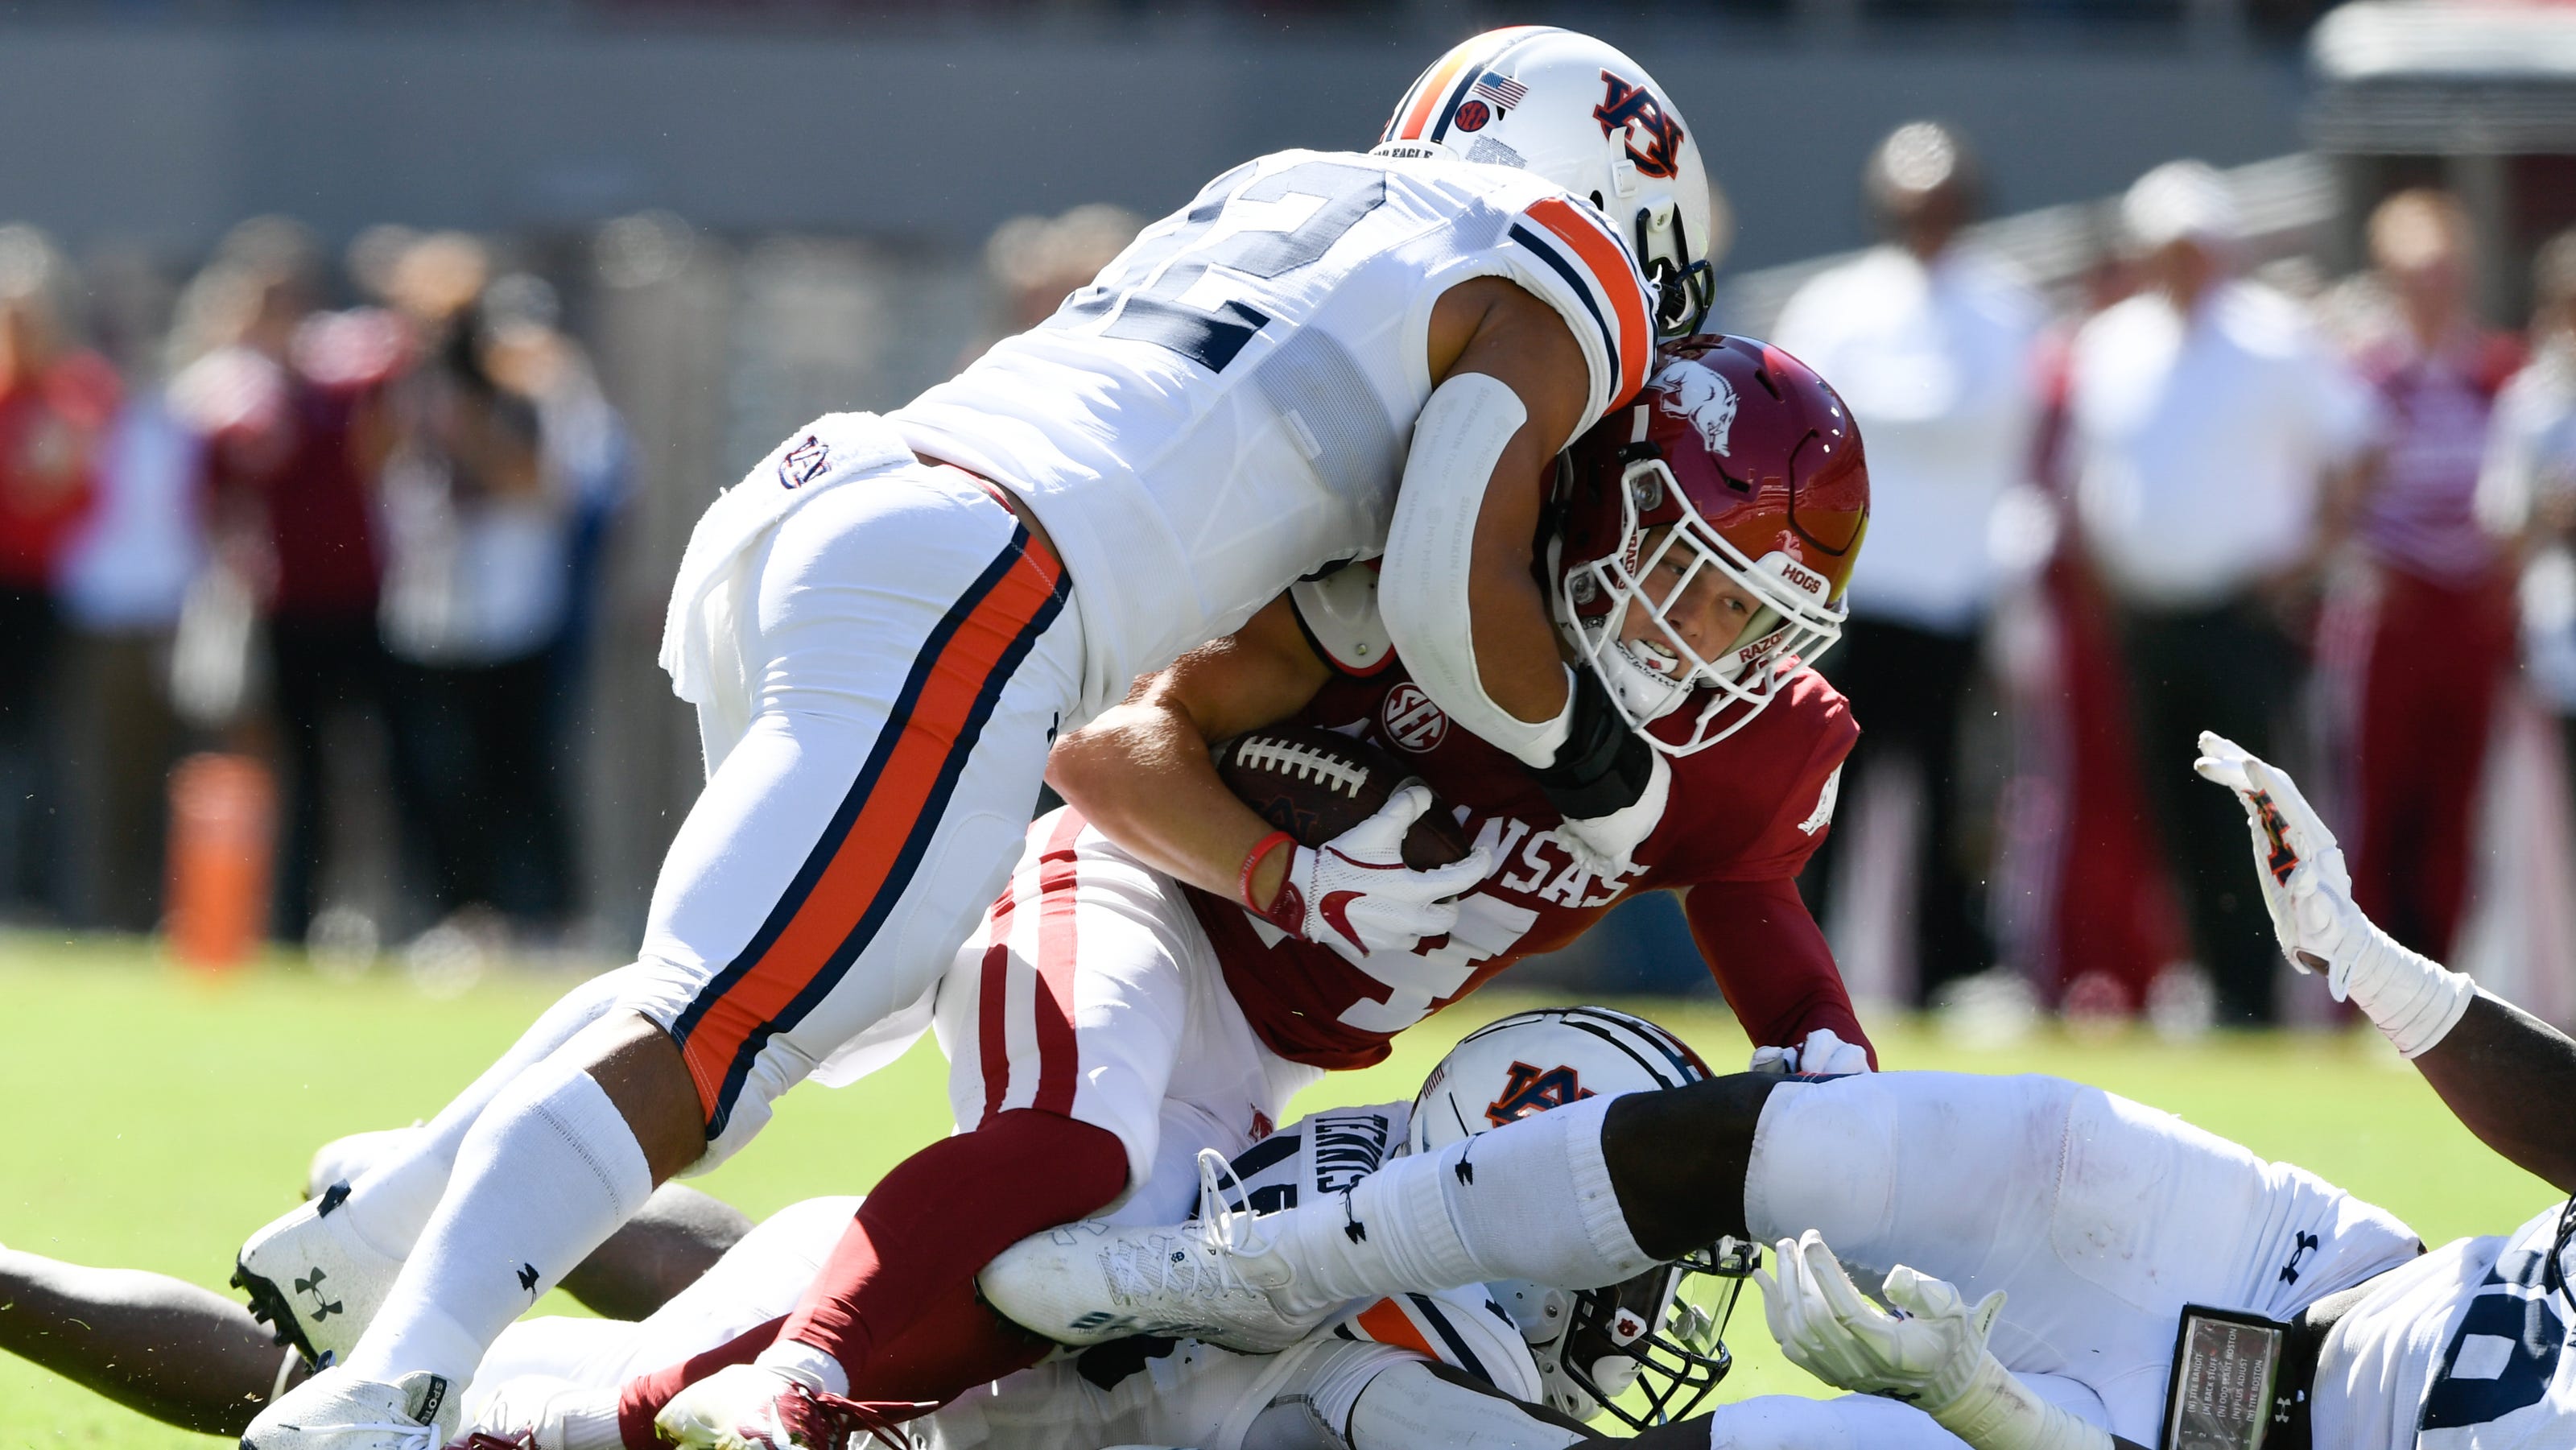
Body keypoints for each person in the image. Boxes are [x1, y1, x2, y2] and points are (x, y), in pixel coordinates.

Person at [239, 29, 1728, 1448]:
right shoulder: (1553, 271)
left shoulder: (1289, 191)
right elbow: (1450, 575)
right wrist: (1614, 772)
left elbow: (1299, 517)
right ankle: (393, 1382)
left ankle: (379, 1223)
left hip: (850, 503)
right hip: (982, 579)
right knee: (726, 1031)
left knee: (760, 991)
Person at [609, 333, 1869, 1444]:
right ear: (1612, 502)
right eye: (1696, 578)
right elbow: (1099, 743)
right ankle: (783, 1387)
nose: (1710, 645)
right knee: (1071, 1154)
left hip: (1269, 1051)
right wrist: (1293, 874)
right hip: (1140, 891)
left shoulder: (1749, 740)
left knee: (1090, 1303)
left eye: (1754, 618)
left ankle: (622, 1365)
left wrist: (1849, 1109)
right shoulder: (1416, 585)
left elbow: (1759, 916)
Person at [985, 733, 2576, 1448]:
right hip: (2293, 1266)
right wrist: (2369, 961)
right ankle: (1250, 1268)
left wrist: (1989, 1412)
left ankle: (1318, 1405)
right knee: (1876, 1145)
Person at [7, 1010, 1763, 1450]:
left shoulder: (1392, 1172)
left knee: (767, 1246)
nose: (1647, 1305)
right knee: (345, 1412)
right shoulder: (1415, 1375)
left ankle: (462, 1192)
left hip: (906, 1293)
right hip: (873, 1409)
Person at [2063, 160, 2380, 1024]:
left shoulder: (2274, 335)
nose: (2179, 263)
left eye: (2192, 246)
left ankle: (2264, 987)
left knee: (2256, 810)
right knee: (2167, 803)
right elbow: (2087, 470)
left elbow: (2356, 444)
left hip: (2244, 612)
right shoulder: (2112, 340)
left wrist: (2309, 551)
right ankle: (2205, 976)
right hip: (2146, 612)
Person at [1773, 120, 2043, 998]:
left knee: (1953, 801)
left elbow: (1997, 419)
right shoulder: (1836, 302)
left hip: (1955, 596)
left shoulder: (2004, 304)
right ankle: (1795, 971)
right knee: (1818, 799)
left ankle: (1943, 976)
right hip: (1847, 599)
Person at [2326, 189, 2524, 965]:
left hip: (2470, 610)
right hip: (2391, 608)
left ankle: (2442, 974)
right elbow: (2331, 496)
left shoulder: (2498, 371)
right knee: (2375, 800)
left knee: (2456, 804)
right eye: (2415, 273)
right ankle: (2361, 979)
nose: (2432, 289)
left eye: (2444, 272)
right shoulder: (2363, 375)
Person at [0, 225, 118, 919]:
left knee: (34, 748)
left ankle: (30, 895)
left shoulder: (73, 390)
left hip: (35, 589)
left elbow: (59, 491)